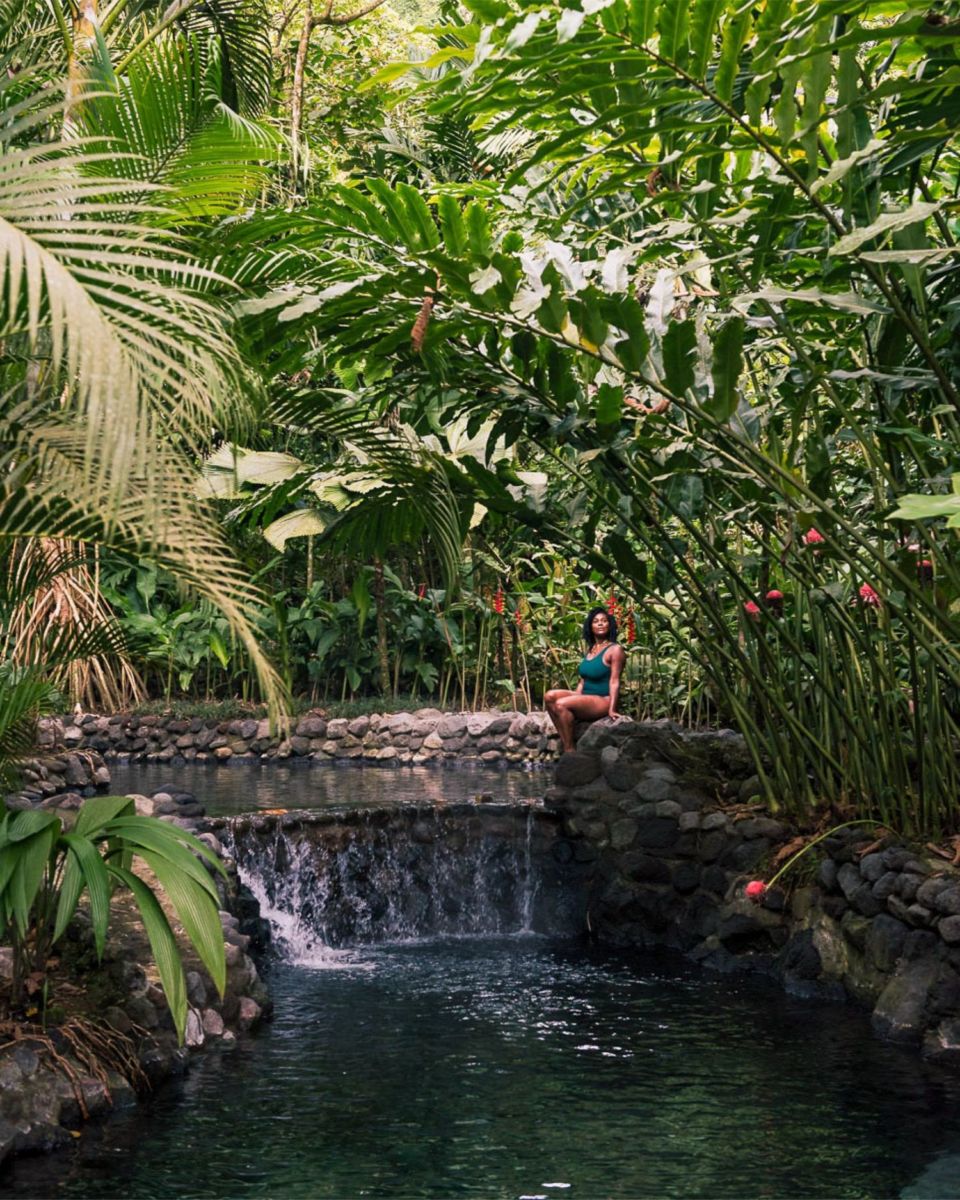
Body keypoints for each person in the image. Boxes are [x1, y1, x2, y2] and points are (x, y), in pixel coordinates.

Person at [545, 607, 626, 753]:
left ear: (610, 625)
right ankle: (566, 740)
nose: (600, 623)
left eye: (604, 621)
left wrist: (612, 708)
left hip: (603, 699)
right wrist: (576, 697)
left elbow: (615, 681)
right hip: (587, 696)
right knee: (549, 696)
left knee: (561, 704)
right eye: (596, 621)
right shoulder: (592, 649)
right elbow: (583, 679)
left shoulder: (615, 650)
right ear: (590, 626)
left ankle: (569, 749)